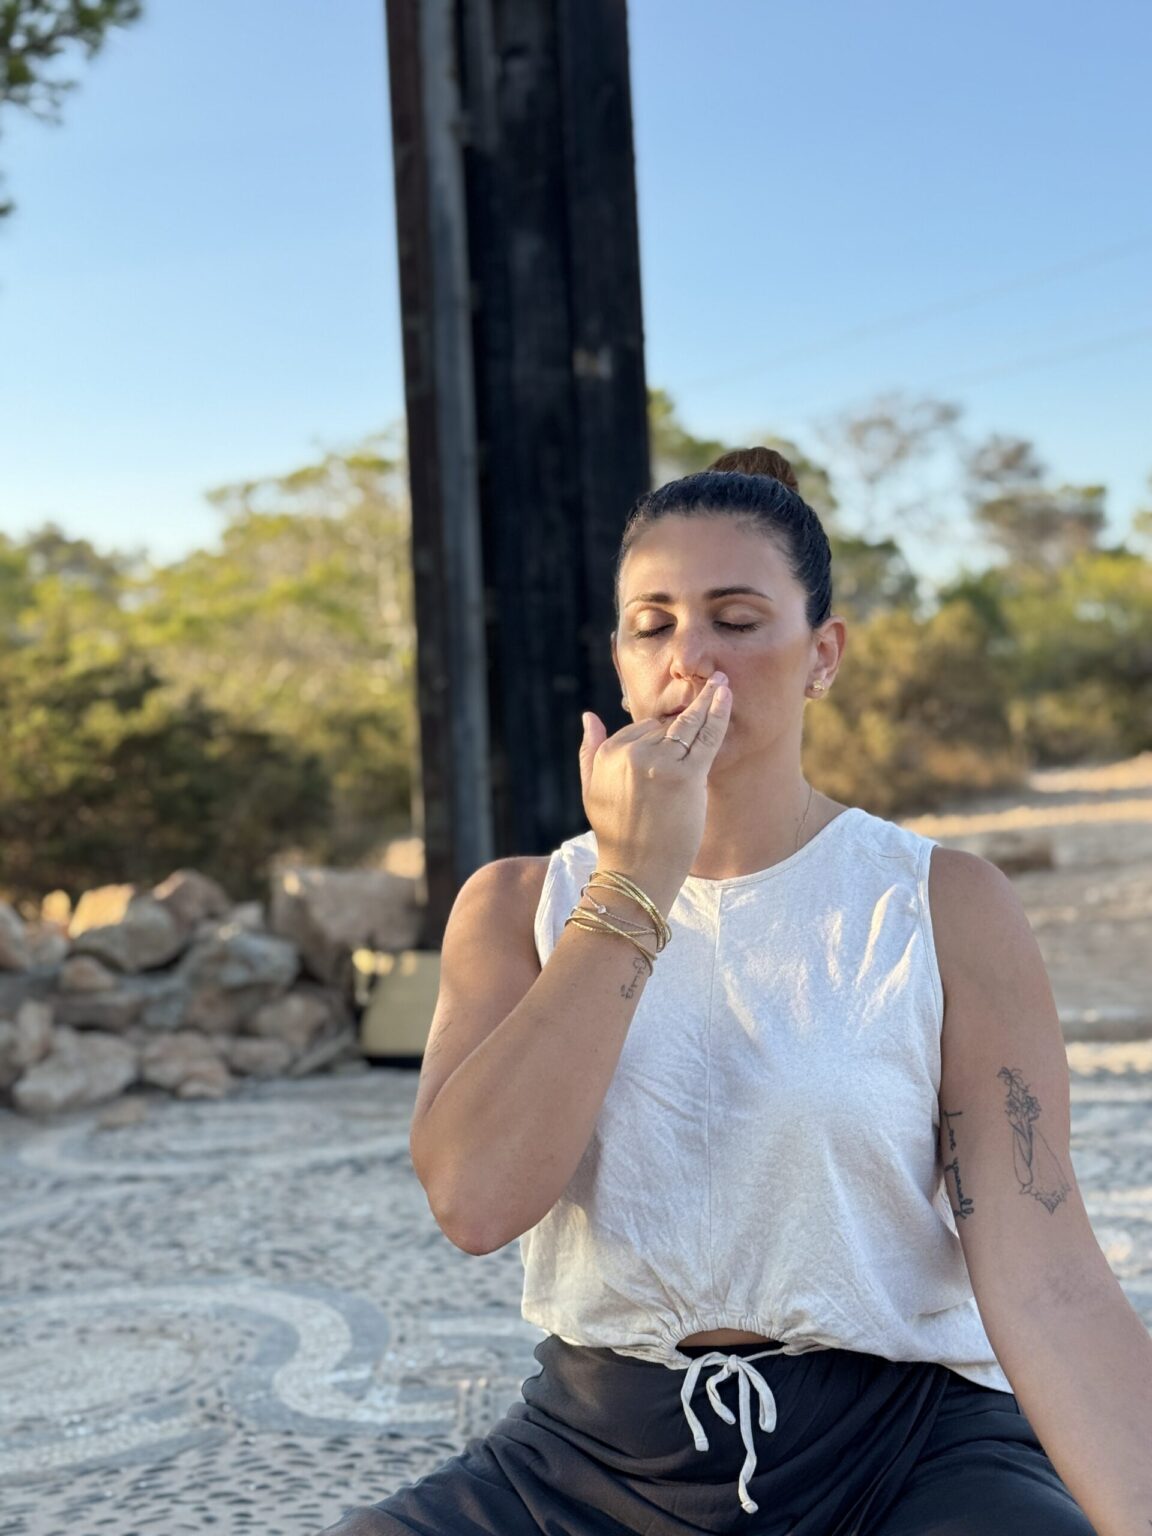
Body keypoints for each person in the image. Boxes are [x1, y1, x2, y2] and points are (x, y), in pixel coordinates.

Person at [319, 450, 1152, 1535]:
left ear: (823, 654)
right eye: (653, 624)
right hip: (587, 1460)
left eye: (738, 619)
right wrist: (631, 888)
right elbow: (475, 1203)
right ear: (619, 662)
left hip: (903, 1450)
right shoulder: (516, 905)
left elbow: (1047, 1279)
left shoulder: (940, 903)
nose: (690, 660)